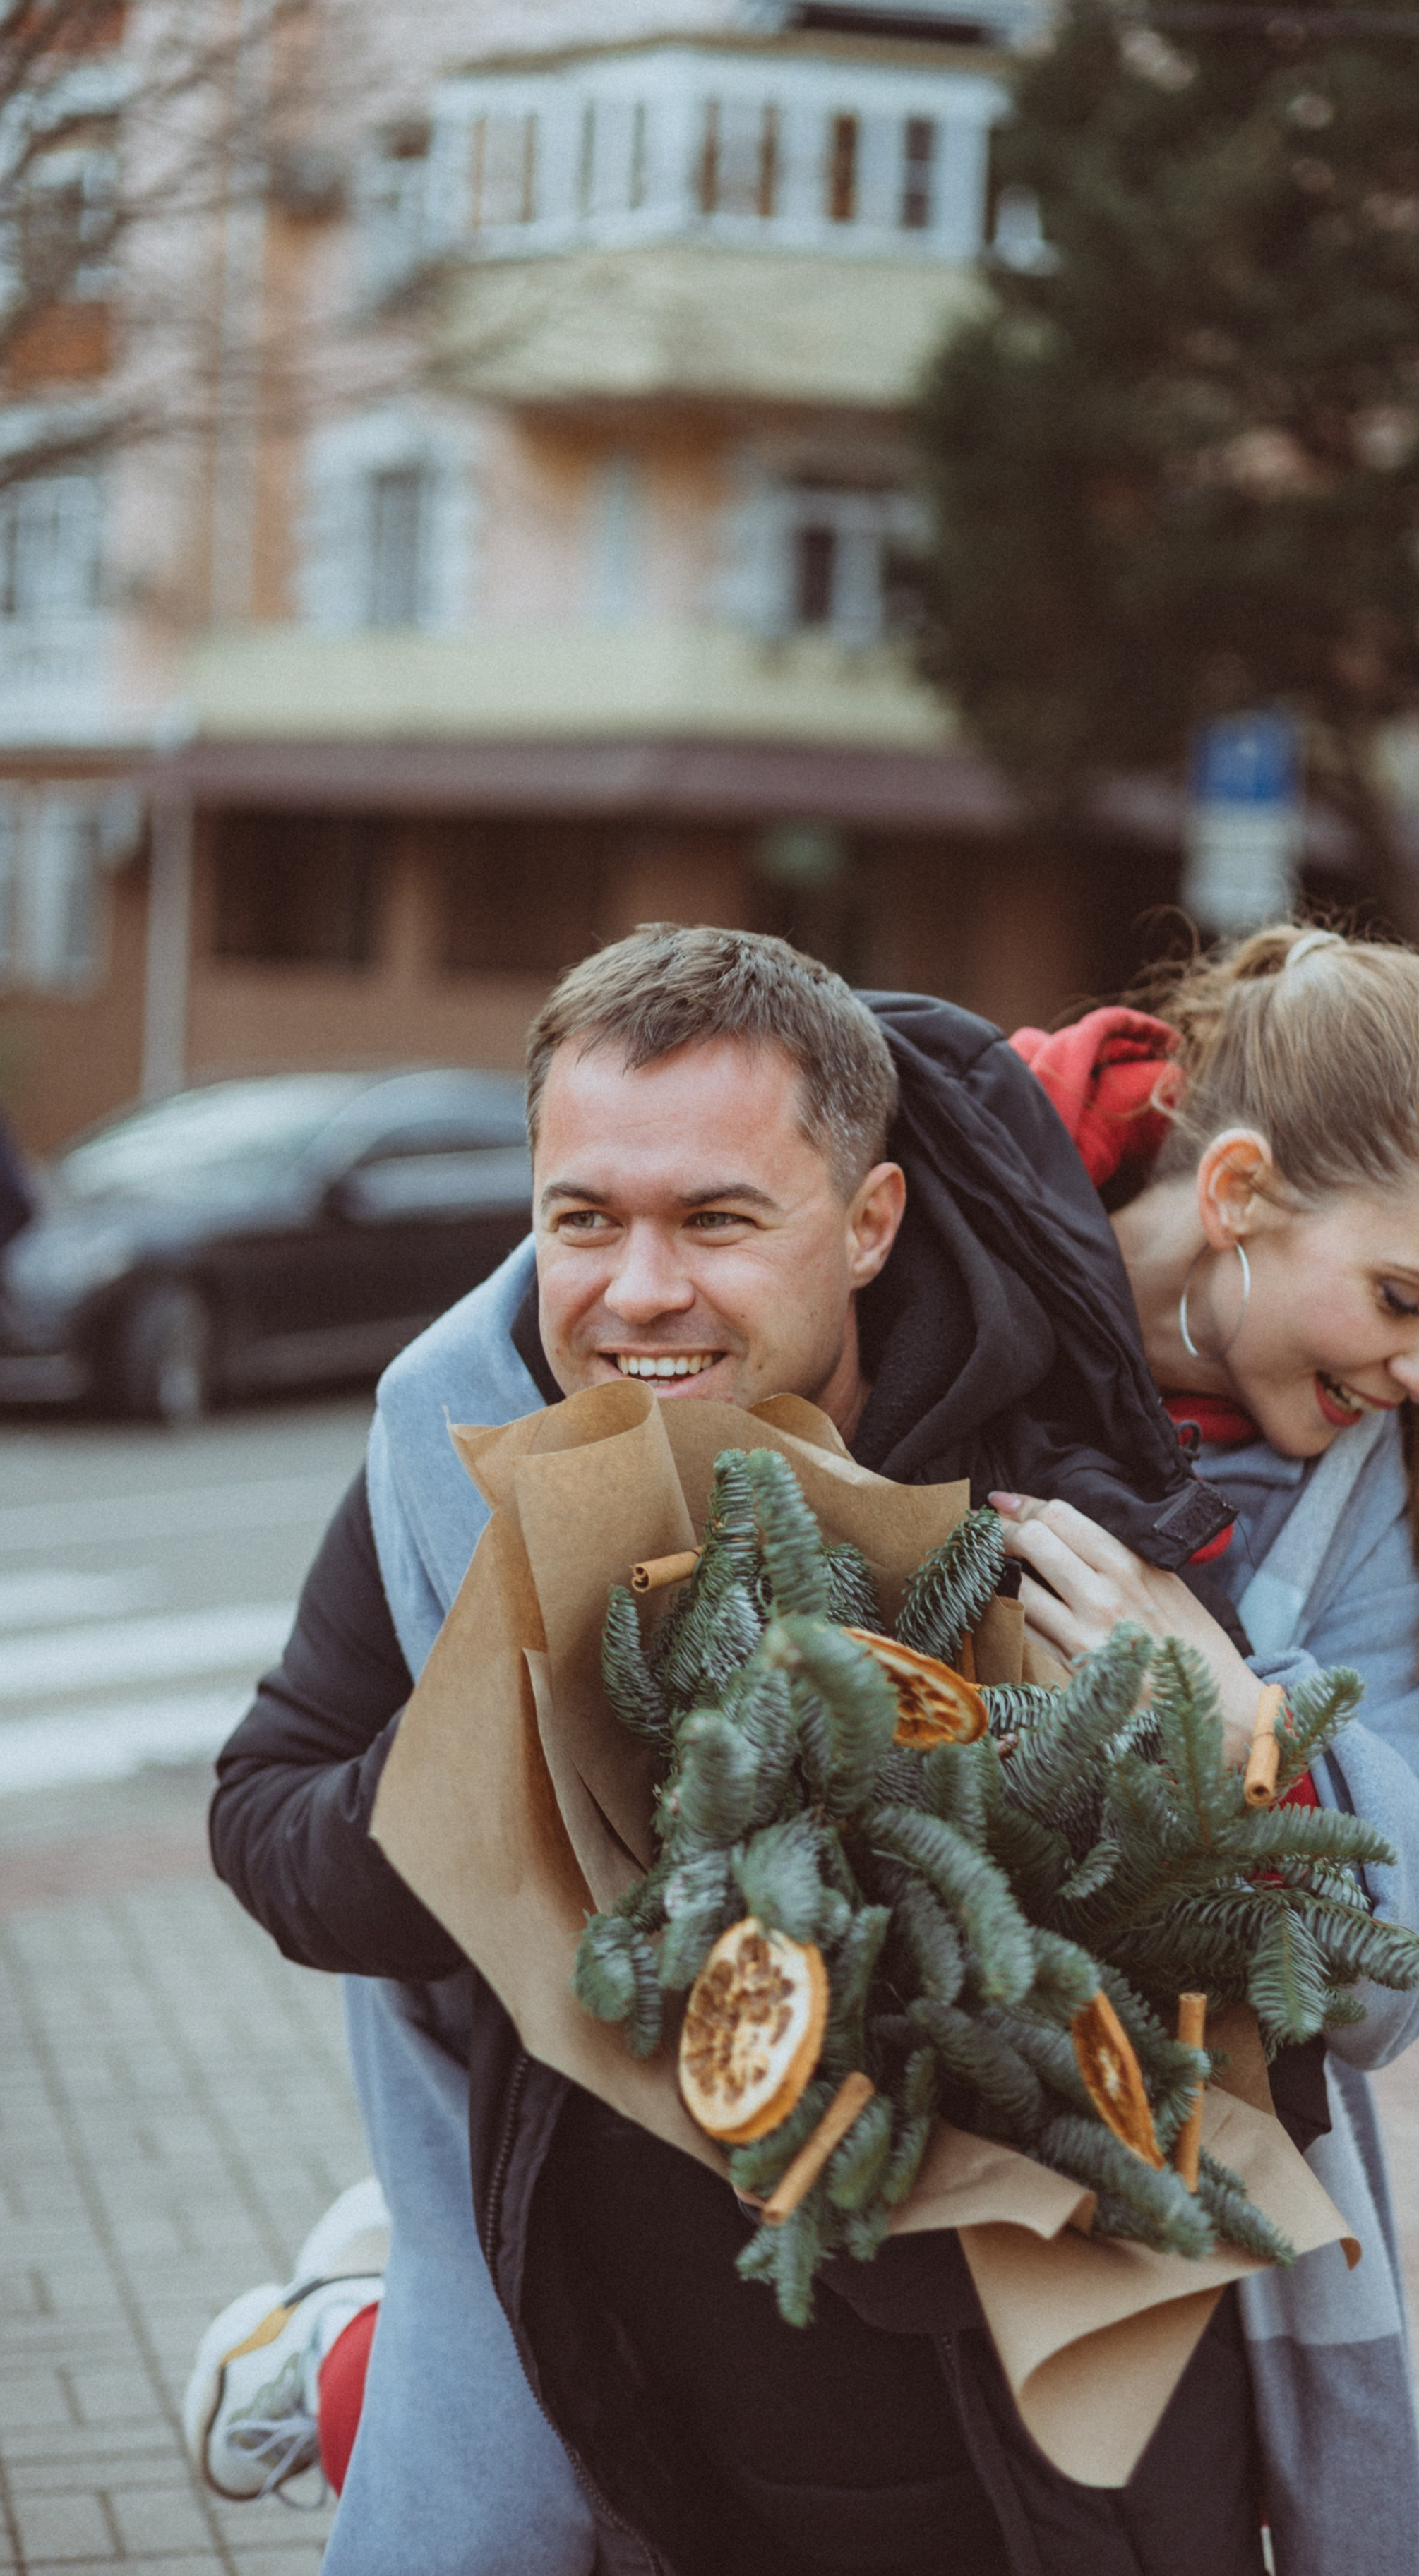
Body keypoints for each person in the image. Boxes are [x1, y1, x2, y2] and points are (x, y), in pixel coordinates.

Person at [196, 927, 1243, 2575]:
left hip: (990, 2461)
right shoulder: (467, 1456)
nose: (638, 1291)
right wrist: (519, 1736)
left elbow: (1265, 1991)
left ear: (868, 1224)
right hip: (604, 2422)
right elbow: (264, 1820)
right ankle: (349, 2343)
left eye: (716, 1220)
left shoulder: (1053, 1498)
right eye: (582, 1220)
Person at [1000, 923, 1419, 2575]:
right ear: (1233, 1198)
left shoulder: (1363, 1505)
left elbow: (1391, 1986)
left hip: (1154, 2228)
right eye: (1404, 1302)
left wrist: (1239, 1720)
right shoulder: (936, 1214)